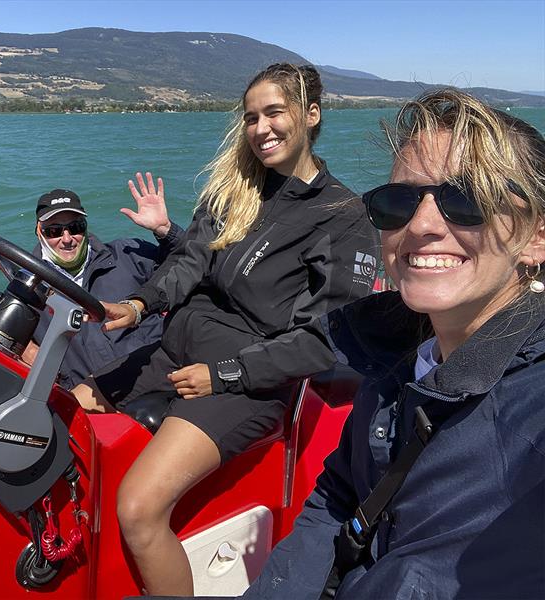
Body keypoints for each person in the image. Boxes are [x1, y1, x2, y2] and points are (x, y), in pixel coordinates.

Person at [72, 63, 379, 595]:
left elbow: (325, 338)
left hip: (247, 380)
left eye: (274, 113)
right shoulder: (237, 188)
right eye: (251, 117)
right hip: (174, 351)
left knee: (139, 509)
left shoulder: (340, 215)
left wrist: (225, 374)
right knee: (73, 404)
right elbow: (189, 260)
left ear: (311, 115)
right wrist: (140, 304)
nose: (260, 128)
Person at [241, 89, 545, 599]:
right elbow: (339, 494)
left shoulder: (530, 410)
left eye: (467, 199)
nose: (421, 226)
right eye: (398, 201)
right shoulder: (394, 361)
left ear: (536, 237)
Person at [24, 182, 184, 389]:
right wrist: (24, 349)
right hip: (89, 400)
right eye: (53, 231)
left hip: (162, 377)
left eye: (75, 227)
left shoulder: (128, 253)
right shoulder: (27, 285)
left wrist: (166, 231)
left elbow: (189, 266)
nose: (66, 239)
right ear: (39, 231)